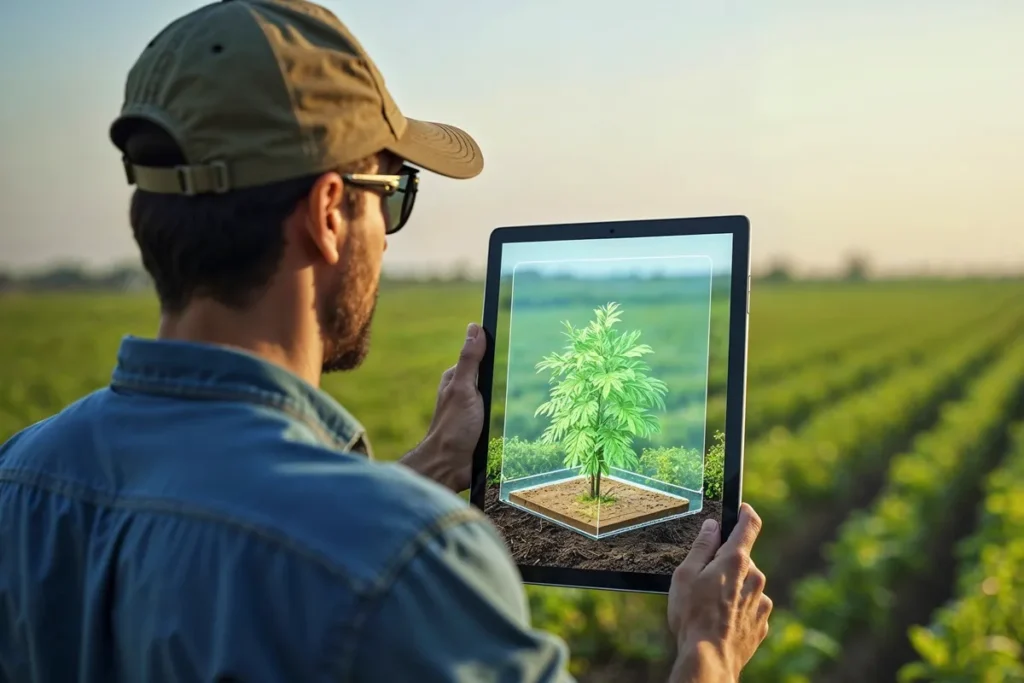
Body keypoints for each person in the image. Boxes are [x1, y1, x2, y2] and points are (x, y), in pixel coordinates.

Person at [0, 1, 772, 681]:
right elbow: (337, 555)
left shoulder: (21, 478)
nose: (390, 238)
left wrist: (436, 463)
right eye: (393, 194)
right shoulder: (408, 560)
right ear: (329, 212)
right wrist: (707, 649)